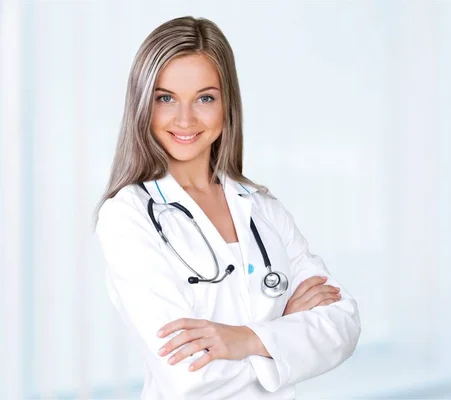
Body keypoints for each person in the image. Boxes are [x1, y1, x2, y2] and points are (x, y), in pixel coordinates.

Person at [94, 16, 360, 399]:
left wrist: (245, 338)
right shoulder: (128, 215)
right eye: (165, 98)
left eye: (205, 98)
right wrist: (284, 332)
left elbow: (343, 325)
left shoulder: (262, 208)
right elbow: (188, 376)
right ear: (142, 105)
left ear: (226, 103)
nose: (185, 119)